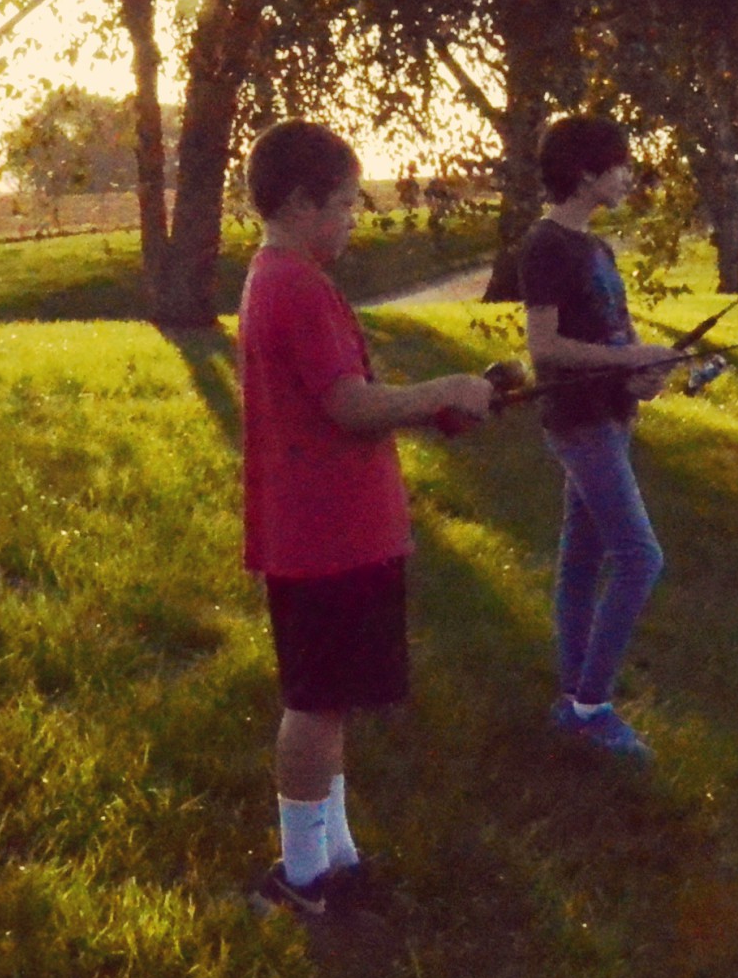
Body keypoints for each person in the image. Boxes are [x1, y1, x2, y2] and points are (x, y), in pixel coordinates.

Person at [237, 120, 494, 917]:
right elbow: (349, 406)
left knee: (333, 698)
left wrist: (433, 408)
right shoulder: (297, 286)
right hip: (327, 537)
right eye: (346, 204)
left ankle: (333, 857)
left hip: (334, 529)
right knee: (314, 703)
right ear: (304, 202)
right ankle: (302, 877)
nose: (356, 217)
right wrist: (442, 391)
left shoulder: (282, 276)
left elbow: (340, 405)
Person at [516, 116, 685, 761]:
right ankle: (592, 706)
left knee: (583, 562)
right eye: (618, 165)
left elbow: (619, 335)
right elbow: (544, 345)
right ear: (585, 173)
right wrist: (624, 364)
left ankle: (572, 697)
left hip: (611, 416)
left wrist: (645, 371)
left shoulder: (598, 249)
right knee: (641, 558)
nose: (627, 175)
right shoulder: (546, 246)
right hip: (579, 422)